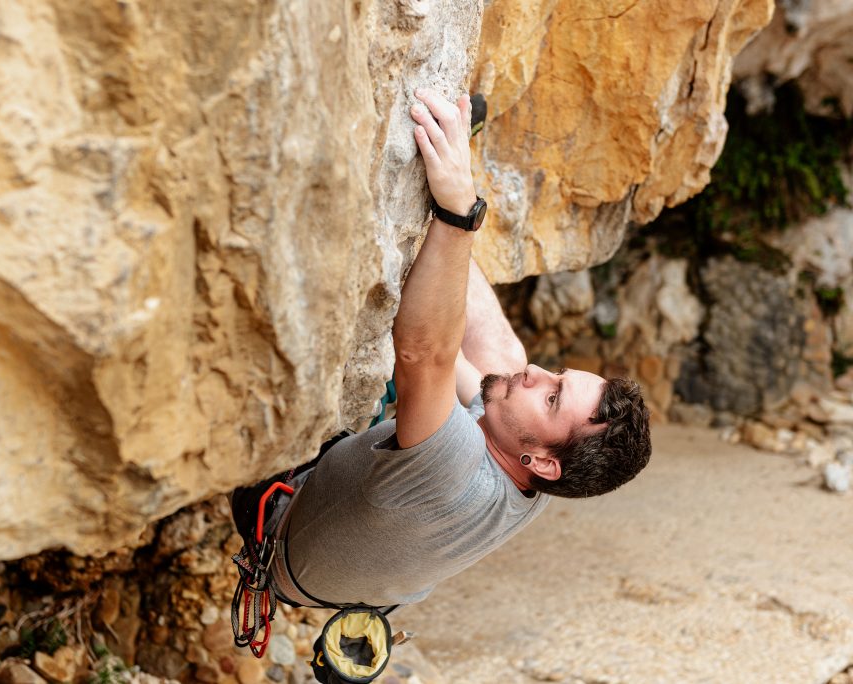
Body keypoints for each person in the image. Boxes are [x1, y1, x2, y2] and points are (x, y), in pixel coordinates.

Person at [235, 88, 652, 611]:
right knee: (506, 370)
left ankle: (445, 192)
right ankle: (446, 164)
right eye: (560, 375)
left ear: (543, 462)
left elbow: (423, 353)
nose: (541, 375)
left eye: (553, 398)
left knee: (423, 358)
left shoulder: (455, 474)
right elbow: (454, 356)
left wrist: (458, 212)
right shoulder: (545, 471)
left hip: (278, 524)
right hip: (349, 567)